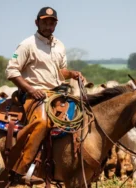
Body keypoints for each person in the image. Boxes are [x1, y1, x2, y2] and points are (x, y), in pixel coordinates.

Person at [5, 6, 84, 184]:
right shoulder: (27, 44)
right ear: (37, 22)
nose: (48, 26)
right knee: (41, 122)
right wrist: (31, 90)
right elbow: (11, 71)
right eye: (45, 22)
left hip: (57, 94)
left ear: (56, 24)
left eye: (52, 22)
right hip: (35, 95)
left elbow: (60, 71)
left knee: (81, 117)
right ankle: (21, 168)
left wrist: (72, 74)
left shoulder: (59, 45)